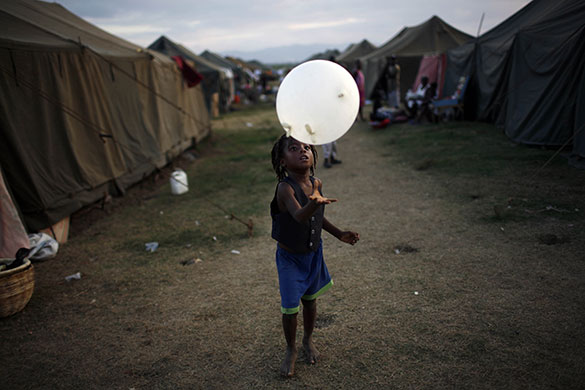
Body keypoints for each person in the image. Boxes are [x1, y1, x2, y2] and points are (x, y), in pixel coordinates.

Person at [270, 135, 360, 377]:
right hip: (290, 260)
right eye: (294, 148)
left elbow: (317, 217)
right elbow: (300, 215)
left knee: (310, 301)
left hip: (312, 254)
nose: (303, 151)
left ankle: (308, 340)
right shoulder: (285, 188)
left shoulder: (316, 182)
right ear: (282, 161)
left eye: (307, 147)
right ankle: (291, 349)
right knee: (290, 308)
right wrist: (315, 202)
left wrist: (339, 233)